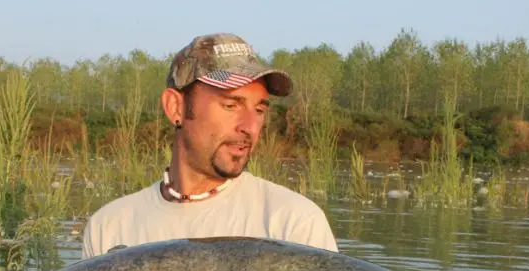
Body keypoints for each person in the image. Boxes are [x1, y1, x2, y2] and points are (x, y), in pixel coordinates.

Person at [81, 33, 338, 259]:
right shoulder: (109, 228)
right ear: (175, 107)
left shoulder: (294, 224)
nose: (249, 126)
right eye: (230, 105)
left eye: (259, 109)